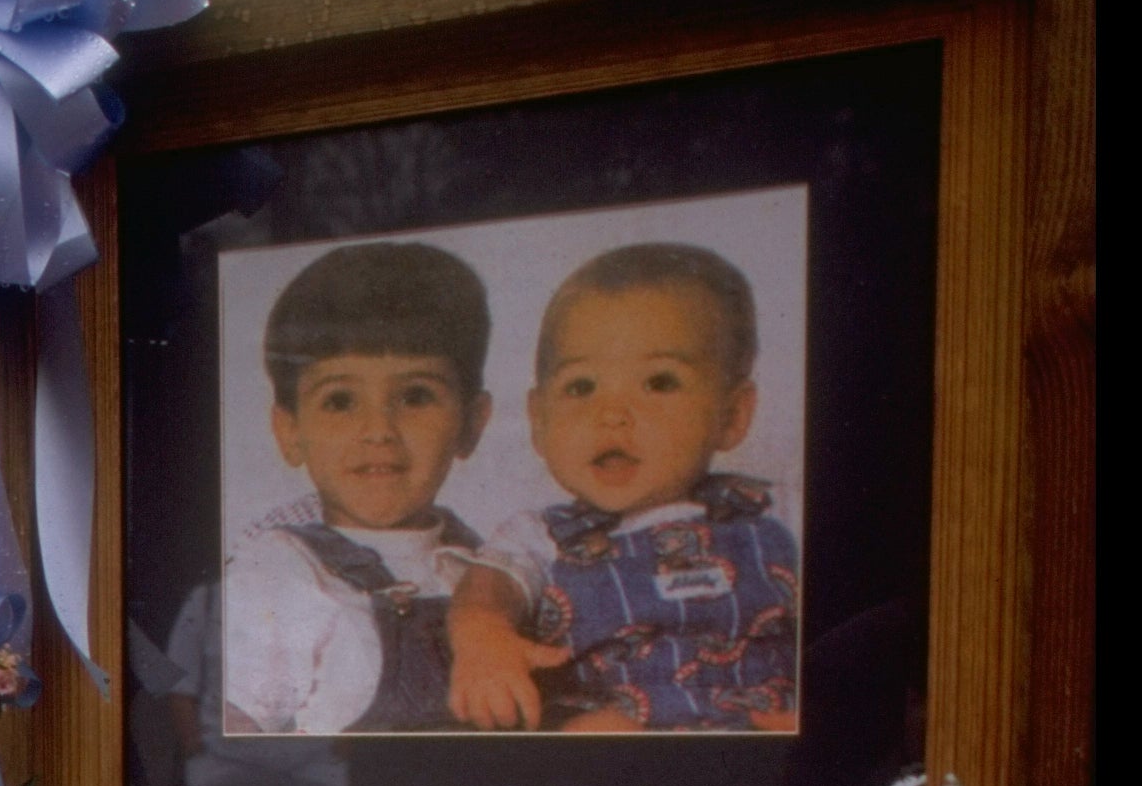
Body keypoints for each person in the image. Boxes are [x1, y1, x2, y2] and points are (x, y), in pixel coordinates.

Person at [221, 241, 558, 738]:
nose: (378, 429)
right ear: (289, 431)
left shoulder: (494, 571)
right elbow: (234, 728)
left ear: (472, 422)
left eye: (415, 396)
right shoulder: (281, 573)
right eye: (340, 401)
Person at [479, 242, 800, 732]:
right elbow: (488, 587)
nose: (612, 415)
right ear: (538, 421)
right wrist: (485, 636)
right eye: (581, 386)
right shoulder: (540, 537)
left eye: (659, 382)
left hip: (761, 732)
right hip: (612, 738)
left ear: (732, 415)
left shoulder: (781, 511)